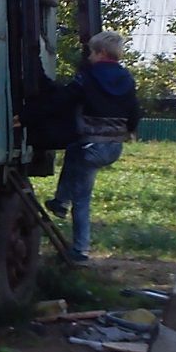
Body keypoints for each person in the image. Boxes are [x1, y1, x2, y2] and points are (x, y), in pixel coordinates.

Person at [42, 31, 141, 263]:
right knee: (73, 152)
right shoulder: (127, 78)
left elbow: (64, 99)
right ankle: (59, 201)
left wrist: (33, 112)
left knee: (82, 198)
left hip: (91, 145)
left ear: (101, 53)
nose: (89, 57)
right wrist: (131, 130)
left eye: (93, 52)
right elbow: (134, 109)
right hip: (112, 147)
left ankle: (80, 250)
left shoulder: (88, 77)